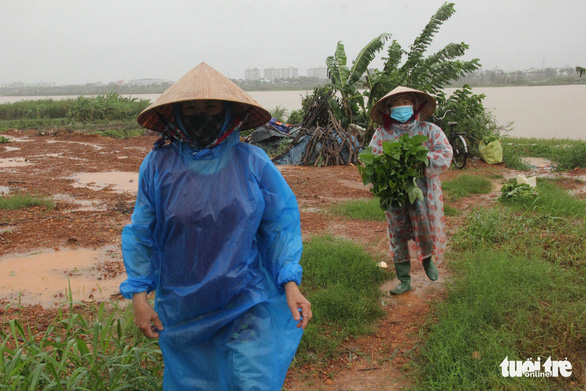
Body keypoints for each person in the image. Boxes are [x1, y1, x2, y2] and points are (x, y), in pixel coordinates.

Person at [119, 62, 312, 390]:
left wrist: (290, 282)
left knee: (252, 380)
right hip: (184, 309)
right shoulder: (157, 166)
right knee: (196, 382)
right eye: (191, 109)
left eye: (211, 107)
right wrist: (139, 296)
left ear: (228, 113)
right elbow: (142, 233)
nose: (201, 115)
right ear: (177, 115)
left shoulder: (252, 162)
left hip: (246, 298)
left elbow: (279, 225)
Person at [369, 86, 453, 295]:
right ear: (388, 110)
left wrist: (423, 159)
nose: (400, 107)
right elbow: (372, 159)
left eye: (405, 102)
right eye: (395, 104)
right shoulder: (382, 133)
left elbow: (445, 153)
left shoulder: (429, 130)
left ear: (414, 105)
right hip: (395, 192)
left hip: (423, 190)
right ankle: (404, 279)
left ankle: (427, 262)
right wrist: (386, 167)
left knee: (424, 225)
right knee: (398, 232)